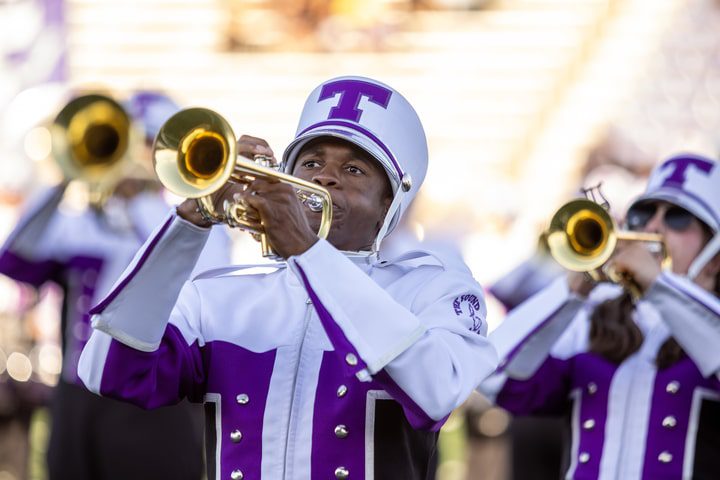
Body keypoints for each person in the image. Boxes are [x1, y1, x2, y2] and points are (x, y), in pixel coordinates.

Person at [77, 75, 499, 480]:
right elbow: (107, 371)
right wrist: (190, 219)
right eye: (311, 162)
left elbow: (438, 390)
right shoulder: (222, 294)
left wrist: (306, 250)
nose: (323, 177)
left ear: (390, 202)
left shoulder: (432, 287)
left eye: (353, 170)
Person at [0, 91, 230, 479]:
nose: (132, 158)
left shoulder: (199, 225)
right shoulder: (83, 223)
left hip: (153, 398)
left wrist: (139, 200)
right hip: (76, 395)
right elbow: (15, 258)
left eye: (147, 145)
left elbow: (201, 278)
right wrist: (66, 175)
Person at [479, 152, 720, 479]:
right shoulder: (591, 320)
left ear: (715, 256)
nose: (653, 227)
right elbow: (494, 375)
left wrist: (658, 285)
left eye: (678, 218)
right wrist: (571, 290)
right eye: (643, 213)